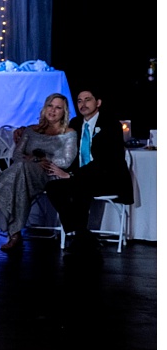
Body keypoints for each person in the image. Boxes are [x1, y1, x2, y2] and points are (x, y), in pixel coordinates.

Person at [0, 93, 77, 252]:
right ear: (44, 108)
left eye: (58, 108)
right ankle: (14, 234)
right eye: (50, 106)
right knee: (20, 175)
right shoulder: (30, 130)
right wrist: (36, 160)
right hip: (25, 172)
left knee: (20, 171)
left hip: (48, 174)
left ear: (64, 112)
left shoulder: (68, 133)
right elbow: (16, 155)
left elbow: (66, 160)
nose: (53, 111)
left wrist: (44, 160)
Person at [45, 88, 134, 257]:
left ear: (98, 103)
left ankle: (80, 236)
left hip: (107, 177)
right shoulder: (75, 124)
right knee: (53, 187)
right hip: (82, 178)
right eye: (79, 101)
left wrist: (72, 176)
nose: (83, 104)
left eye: (88, 99)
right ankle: (83, 233)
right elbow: (59, 141)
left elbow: (106, 162)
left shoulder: (111, 124)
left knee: (80, 186)